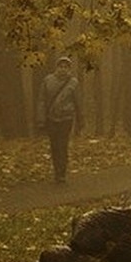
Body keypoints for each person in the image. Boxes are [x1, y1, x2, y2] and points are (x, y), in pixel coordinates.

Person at [40, 55, 83, 184]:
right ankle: (56, 170)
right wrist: (41, 119)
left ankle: (61, 173)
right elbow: (42, 101)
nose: (63, 69)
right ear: (56, 67)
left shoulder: (73, 83)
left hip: (66, 118)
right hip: (51, 118)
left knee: (62, 145)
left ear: (69, 68)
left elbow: (78, 102)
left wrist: (81, 120)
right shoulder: (48, 80)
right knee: (54, 146)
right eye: (61, 66)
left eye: (66, 67)